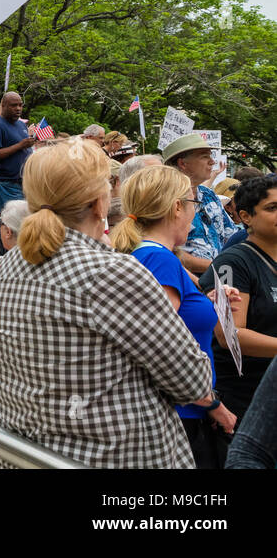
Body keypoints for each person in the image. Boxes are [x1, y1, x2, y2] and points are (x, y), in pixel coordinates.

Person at [0, 136, 214, 468]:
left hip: (27, 455)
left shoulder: (14, 263)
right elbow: (194, 381)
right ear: (99, 203)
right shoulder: (111, 272)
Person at [112, 165, 239, 466]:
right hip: (181, 412)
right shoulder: (159, 258)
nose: (196, 215)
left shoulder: (147, 254)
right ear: (177, 207)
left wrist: (206, 302)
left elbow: (166, 320)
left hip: (179, 408)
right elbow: (160, 348)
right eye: (194, 204)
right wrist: (213, 404)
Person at [198, 174, 277, 422]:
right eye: (272, 208)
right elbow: (230, 334)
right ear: (245, 216)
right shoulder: (233, 262)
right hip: (246, 398)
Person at [162, 133, 240, 274]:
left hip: (220, 281)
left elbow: (232, 235)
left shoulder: (209, 195)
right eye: (204, 156)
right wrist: (219, 267)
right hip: (188, 283)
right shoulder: (165, 198)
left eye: (210, 156)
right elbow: (164, 249)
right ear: (182, 163)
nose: (212, 162)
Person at [0, 91, 35, 218]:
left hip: (23, 184)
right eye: (13, 105)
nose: (18, 109)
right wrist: (20, 145)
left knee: (19, 226)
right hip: (6, 185)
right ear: (4, 105)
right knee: (4, 225)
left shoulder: (21, 125)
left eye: (20, 105)